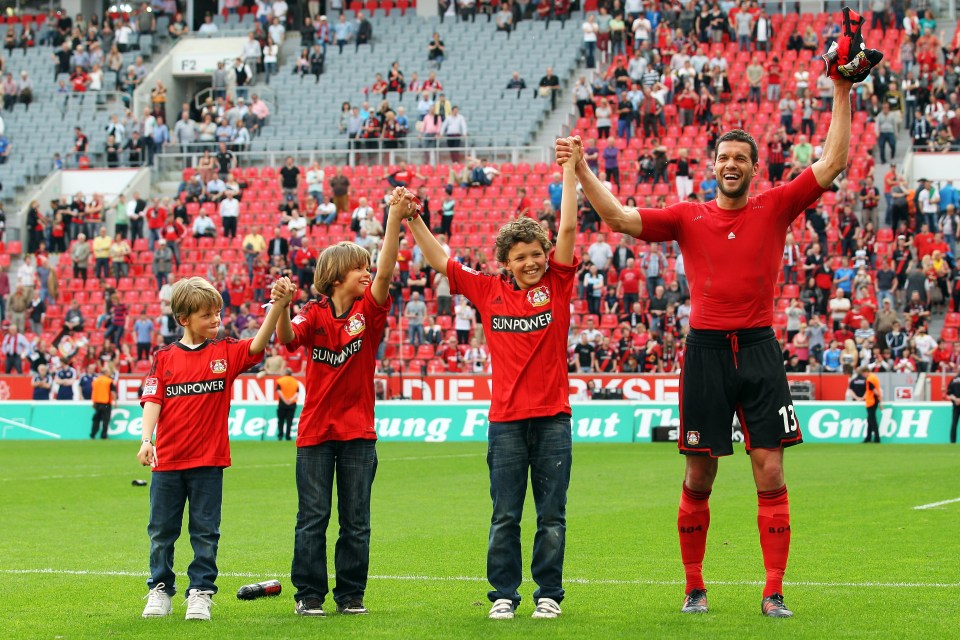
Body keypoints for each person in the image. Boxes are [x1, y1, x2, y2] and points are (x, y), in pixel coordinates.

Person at [558, 64, 856, 617]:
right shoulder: (687, 216)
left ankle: (773, 591)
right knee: (700, 472)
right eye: (723, 158)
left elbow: (833, 160)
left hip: (761, 349)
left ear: (753, 167)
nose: (731, 165)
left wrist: (840, 88)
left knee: (770, 468)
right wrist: (580, 167)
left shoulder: (777, 205)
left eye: (741, 158)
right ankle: (694, 587)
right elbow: (619, 218)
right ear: (712, 165)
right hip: (707, 353)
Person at [406, 136, 578, 620]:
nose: (532, 262)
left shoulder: (558, 285)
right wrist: (412, 216)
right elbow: (440, 260)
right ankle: (504, 595)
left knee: (551, 517)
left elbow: (566, 225)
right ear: (506, 263)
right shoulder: (487, 291)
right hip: (504, 423)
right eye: (521, 257)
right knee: (505, 516)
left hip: (552, 421)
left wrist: (569, 167)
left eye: (537, 253)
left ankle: (549, 595)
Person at [274, 186, 408, 618]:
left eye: (368, 267)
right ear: (335, 277)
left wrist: (393, 220)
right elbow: (287, 339)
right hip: (315, 434)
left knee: (356, 521)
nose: (367, 273)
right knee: (312, 518)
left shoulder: (368, 314)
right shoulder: (312, 314)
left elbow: (386, 272)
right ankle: (309, 595)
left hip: (358, 435)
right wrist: (281, 307)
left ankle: (351, 595)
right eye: (358, 268)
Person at [137, 275, 294, 621]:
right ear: (184, 319)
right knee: (162, 531)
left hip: (209, 463)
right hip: (167, 463)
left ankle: (200, 592)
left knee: (205, 532)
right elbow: (153, 400)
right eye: (207, 315)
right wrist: (146, 440)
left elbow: (257, 345)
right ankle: (160, 589)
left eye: (218, 313)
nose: (216, 320)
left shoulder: (225, 352)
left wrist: (279, 307)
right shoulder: (163, 358)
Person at [90, 365, 116, 439]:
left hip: (97, 403)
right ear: (106, 373)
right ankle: (103, 435)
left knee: (96, 419)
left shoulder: (96, 381)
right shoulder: (109, 381)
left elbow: (94, 392)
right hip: (106, 403)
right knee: (105, 420)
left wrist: (94, 402)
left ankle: (93, 434)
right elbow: (112, 392)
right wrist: (115, 401)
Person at [275, 367, 299, 441]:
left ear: (285, 373)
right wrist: (291, 400)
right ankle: (288, 436)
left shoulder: (280, 381)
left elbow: (279, 391)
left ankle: (280, 435)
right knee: (289, 421)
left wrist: (285, 400)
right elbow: (297, 393)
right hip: (292, 404)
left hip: (282, 403)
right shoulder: (295, 381)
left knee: (281, 420)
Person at [947, 371, 960, 444]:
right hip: (957, 404)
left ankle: (952, 442)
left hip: (956, 405)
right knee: (954, 423)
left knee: (954, 423)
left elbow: (949, 393)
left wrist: (956, 399)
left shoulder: (953, 380)